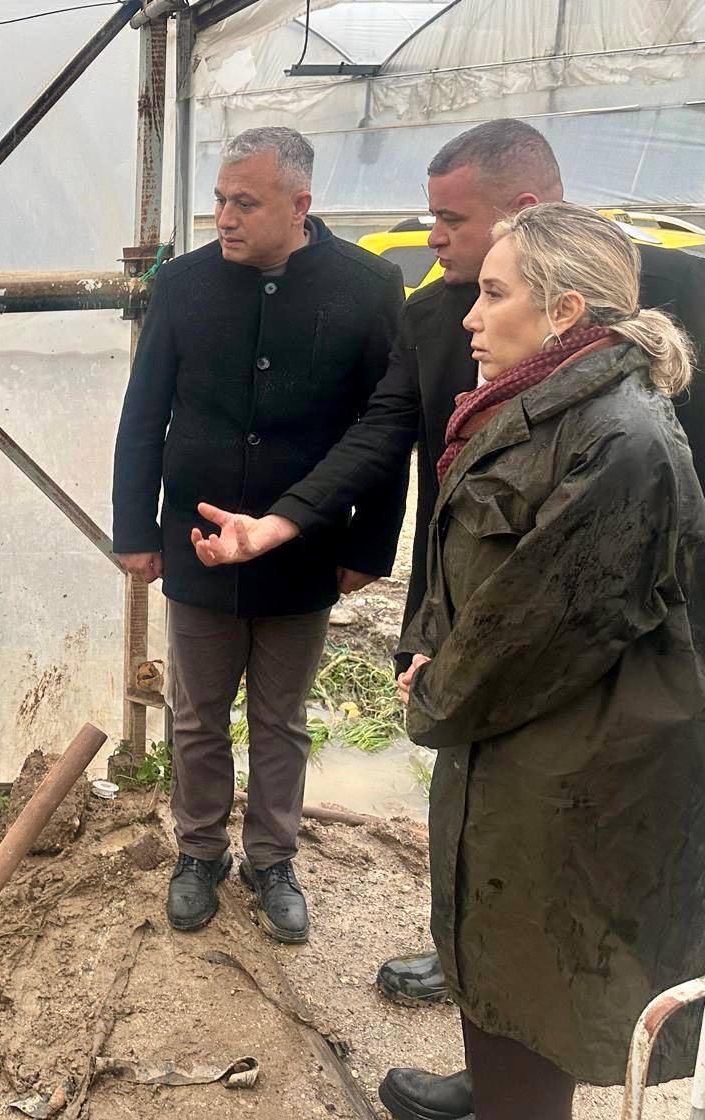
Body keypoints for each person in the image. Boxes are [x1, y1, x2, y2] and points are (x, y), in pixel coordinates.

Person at [184, 119, 705, 1120]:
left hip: (601, 668)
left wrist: (444, 686)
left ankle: (519, 1085)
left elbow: (556, 607)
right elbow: (391, 438)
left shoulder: (636, 385)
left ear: (537, 246)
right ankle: (495, 1068)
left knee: (559, 912)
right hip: (495, 652)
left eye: (452, 222)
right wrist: (284, 529)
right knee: (495, 891)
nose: (433, 239)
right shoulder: (447, 323)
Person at [395, 203, 705, 1119]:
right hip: (509, 740)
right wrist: (433, 646)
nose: (470, 315)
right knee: (498, 956)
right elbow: (478, 567)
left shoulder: (620, 438)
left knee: (536, 977)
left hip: (567, 764)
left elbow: (539, 627)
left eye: (494, 294)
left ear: (564, 311)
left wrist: (436, 693)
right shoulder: (540, 407)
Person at [112, 126, 406, 944]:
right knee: (196, 715)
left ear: (300, 204)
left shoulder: (367, 287)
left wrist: (368, 547)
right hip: (198, 541)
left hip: (303, 547)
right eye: (219, 200)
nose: (224, 218)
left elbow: (386, 428)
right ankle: (199, 851)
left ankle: (272, 859)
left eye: (245, 202)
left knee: (282, 719)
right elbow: (144, 414)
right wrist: (135, 528)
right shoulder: (183, 284)